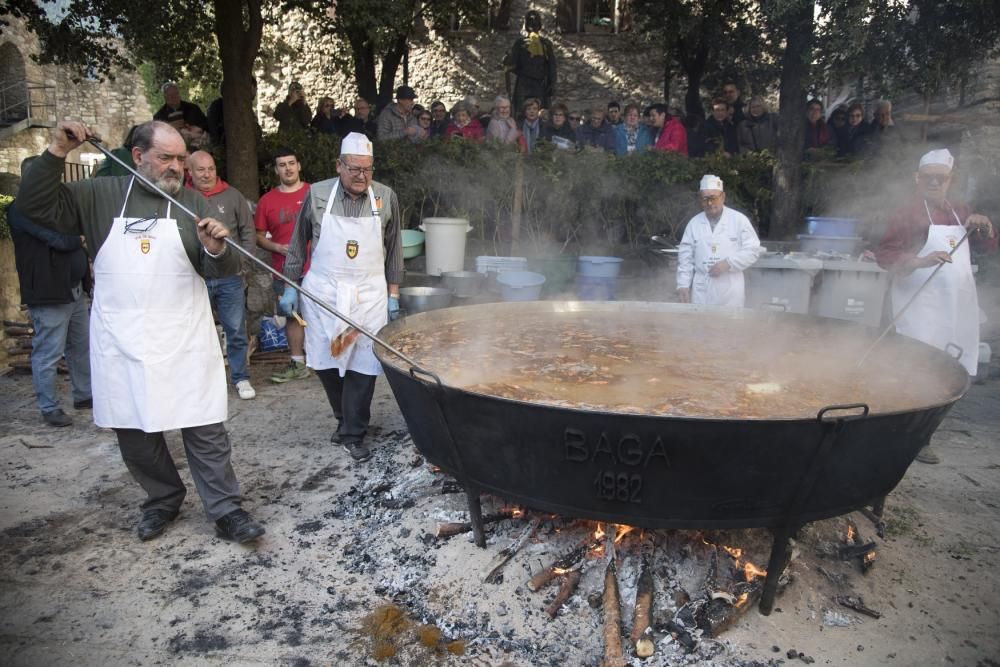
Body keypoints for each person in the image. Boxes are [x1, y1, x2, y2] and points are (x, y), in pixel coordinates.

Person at [17, 120, 265, 543]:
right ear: (137, 156)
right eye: (165, 157)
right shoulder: (99, 194)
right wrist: (57, 150)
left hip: (183, 333)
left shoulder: (192, 204)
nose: (176, 167)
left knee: (204, 425)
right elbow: (34, 208)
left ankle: (226, 509)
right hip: (123, 336)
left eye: (181, 159)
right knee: (134, 428)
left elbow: (219, 270)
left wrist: (217, 250)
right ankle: (163, 498)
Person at [280, 133, 404, 463]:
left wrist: (394, 294)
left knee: (363, 364)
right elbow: (297, 243)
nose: (362, 176)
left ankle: (353, 431)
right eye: (354, 169)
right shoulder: (318, 194)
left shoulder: (386, 198)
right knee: (325, 360)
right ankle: (342, 417)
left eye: (367, 169)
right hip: (324, 294)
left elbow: (394, 252)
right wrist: (290, 285)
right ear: (339, 166)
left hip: (368, 295)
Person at [876, 149, 996, 461]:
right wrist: (919, 260)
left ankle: (925, 431)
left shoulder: (961, 211)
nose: (933, 182)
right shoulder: (905, 212)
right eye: (927, 176)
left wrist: (984, 227)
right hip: (918, 307)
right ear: (917, 178)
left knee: (950, 371)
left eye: (939, 178)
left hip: (955, 306)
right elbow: (885, 255)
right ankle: (908, 436)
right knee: (913, 371)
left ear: (949, 180)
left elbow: (987, 246)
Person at [9, 160, 92, 427]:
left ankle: (84, 395)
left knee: (81, 347)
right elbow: (57, 240)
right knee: (48, 353)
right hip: (48, 293)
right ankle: (49, 406)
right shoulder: (21, 209)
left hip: (74, 289)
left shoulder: (60, 202)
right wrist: (79, 238)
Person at [186, 151, 257, 400]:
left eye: (211, 169)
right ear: (190, 171)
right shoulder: (181, 197)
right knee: (196, 332)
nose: (207, 174)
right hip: (195, 278)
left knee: (236, 329)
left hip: (230, 276)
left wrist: (244, 263)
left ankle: (241, 378)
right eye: (200, 170)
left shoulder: (233, 196)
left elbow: (248, 231)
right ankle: (201, 381)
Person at [255, 148, 311, 384]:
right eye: (282, 164)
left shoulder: (315, 193)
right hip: (283, 269)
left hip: (317, 268)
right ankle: (298, 363)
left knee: (324, 314)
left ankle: (330, 360)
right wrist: (277, 248)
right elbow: (259, 236)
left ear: (299, 165)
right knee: (293, 316)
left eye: (291, 163)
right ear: (276, 169)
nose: (287, 168)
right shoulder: (267, 200)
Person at [676, 175, 762, 307]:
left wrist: (728, 263)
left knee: (728, 326)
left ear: (723, 197)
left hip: (730, 289)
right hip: (702, 289)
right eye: (705, 199)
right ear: (700, 199)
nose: (710, 203)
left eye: (713, 198)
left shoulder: (738, 220)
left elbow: (753, 250)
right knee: (700, 326)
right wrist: (683, 284)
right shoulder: (694, 223)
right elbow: (685, 257)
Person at [504, 10, 557, 115]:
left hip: (540, 84)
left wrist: (552, 83)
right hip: (524, 83)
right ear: (526, 24)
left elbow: (551, 65)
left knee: (541, 112)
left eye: (536, 21)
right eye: (530, 21)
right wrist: (507, 60)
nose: (533, 24)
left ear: (540, 24)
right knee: (521, 112)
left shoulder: (545, 44)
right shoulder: (520, 43)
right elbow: (513, 63)